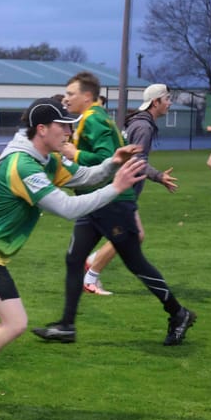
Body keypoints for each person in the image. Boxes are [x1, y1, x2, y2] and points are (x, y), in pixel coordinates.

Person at [0, 99, 145, 418]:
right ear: (42, 129)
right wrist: (116, 188)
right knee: (15, 323)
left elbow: (83, 176)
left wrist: (112, 164)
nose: (69, 132)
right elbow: (68, 208)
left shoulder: (44, 159)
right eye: (63, 126)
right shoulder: (23, 166)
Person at [32, 72, 196, 346]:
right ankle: (67, 326)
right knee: (74, 260)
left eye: (71, 93)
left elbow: (108, 158)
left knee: (135, 262)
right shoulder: (88, 118)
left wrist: (74, 154)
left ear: (87, 96)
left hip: (113, 204)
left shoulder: (94, 119)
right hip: (94, 201)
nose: (66, 98)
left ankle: (179, 313)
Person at [81, 84, 180, 296]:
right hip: (123, 190)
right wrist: (159, 176)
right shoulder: (144, 127)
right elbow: (136, 160)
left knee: (128, 235)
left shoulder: (140, 123)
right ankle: (90, 277)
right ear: (156, 102)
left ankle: (91, 263)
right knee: (131, 235)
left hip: (122, 189)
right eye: (167, 99)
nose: (170, 103)